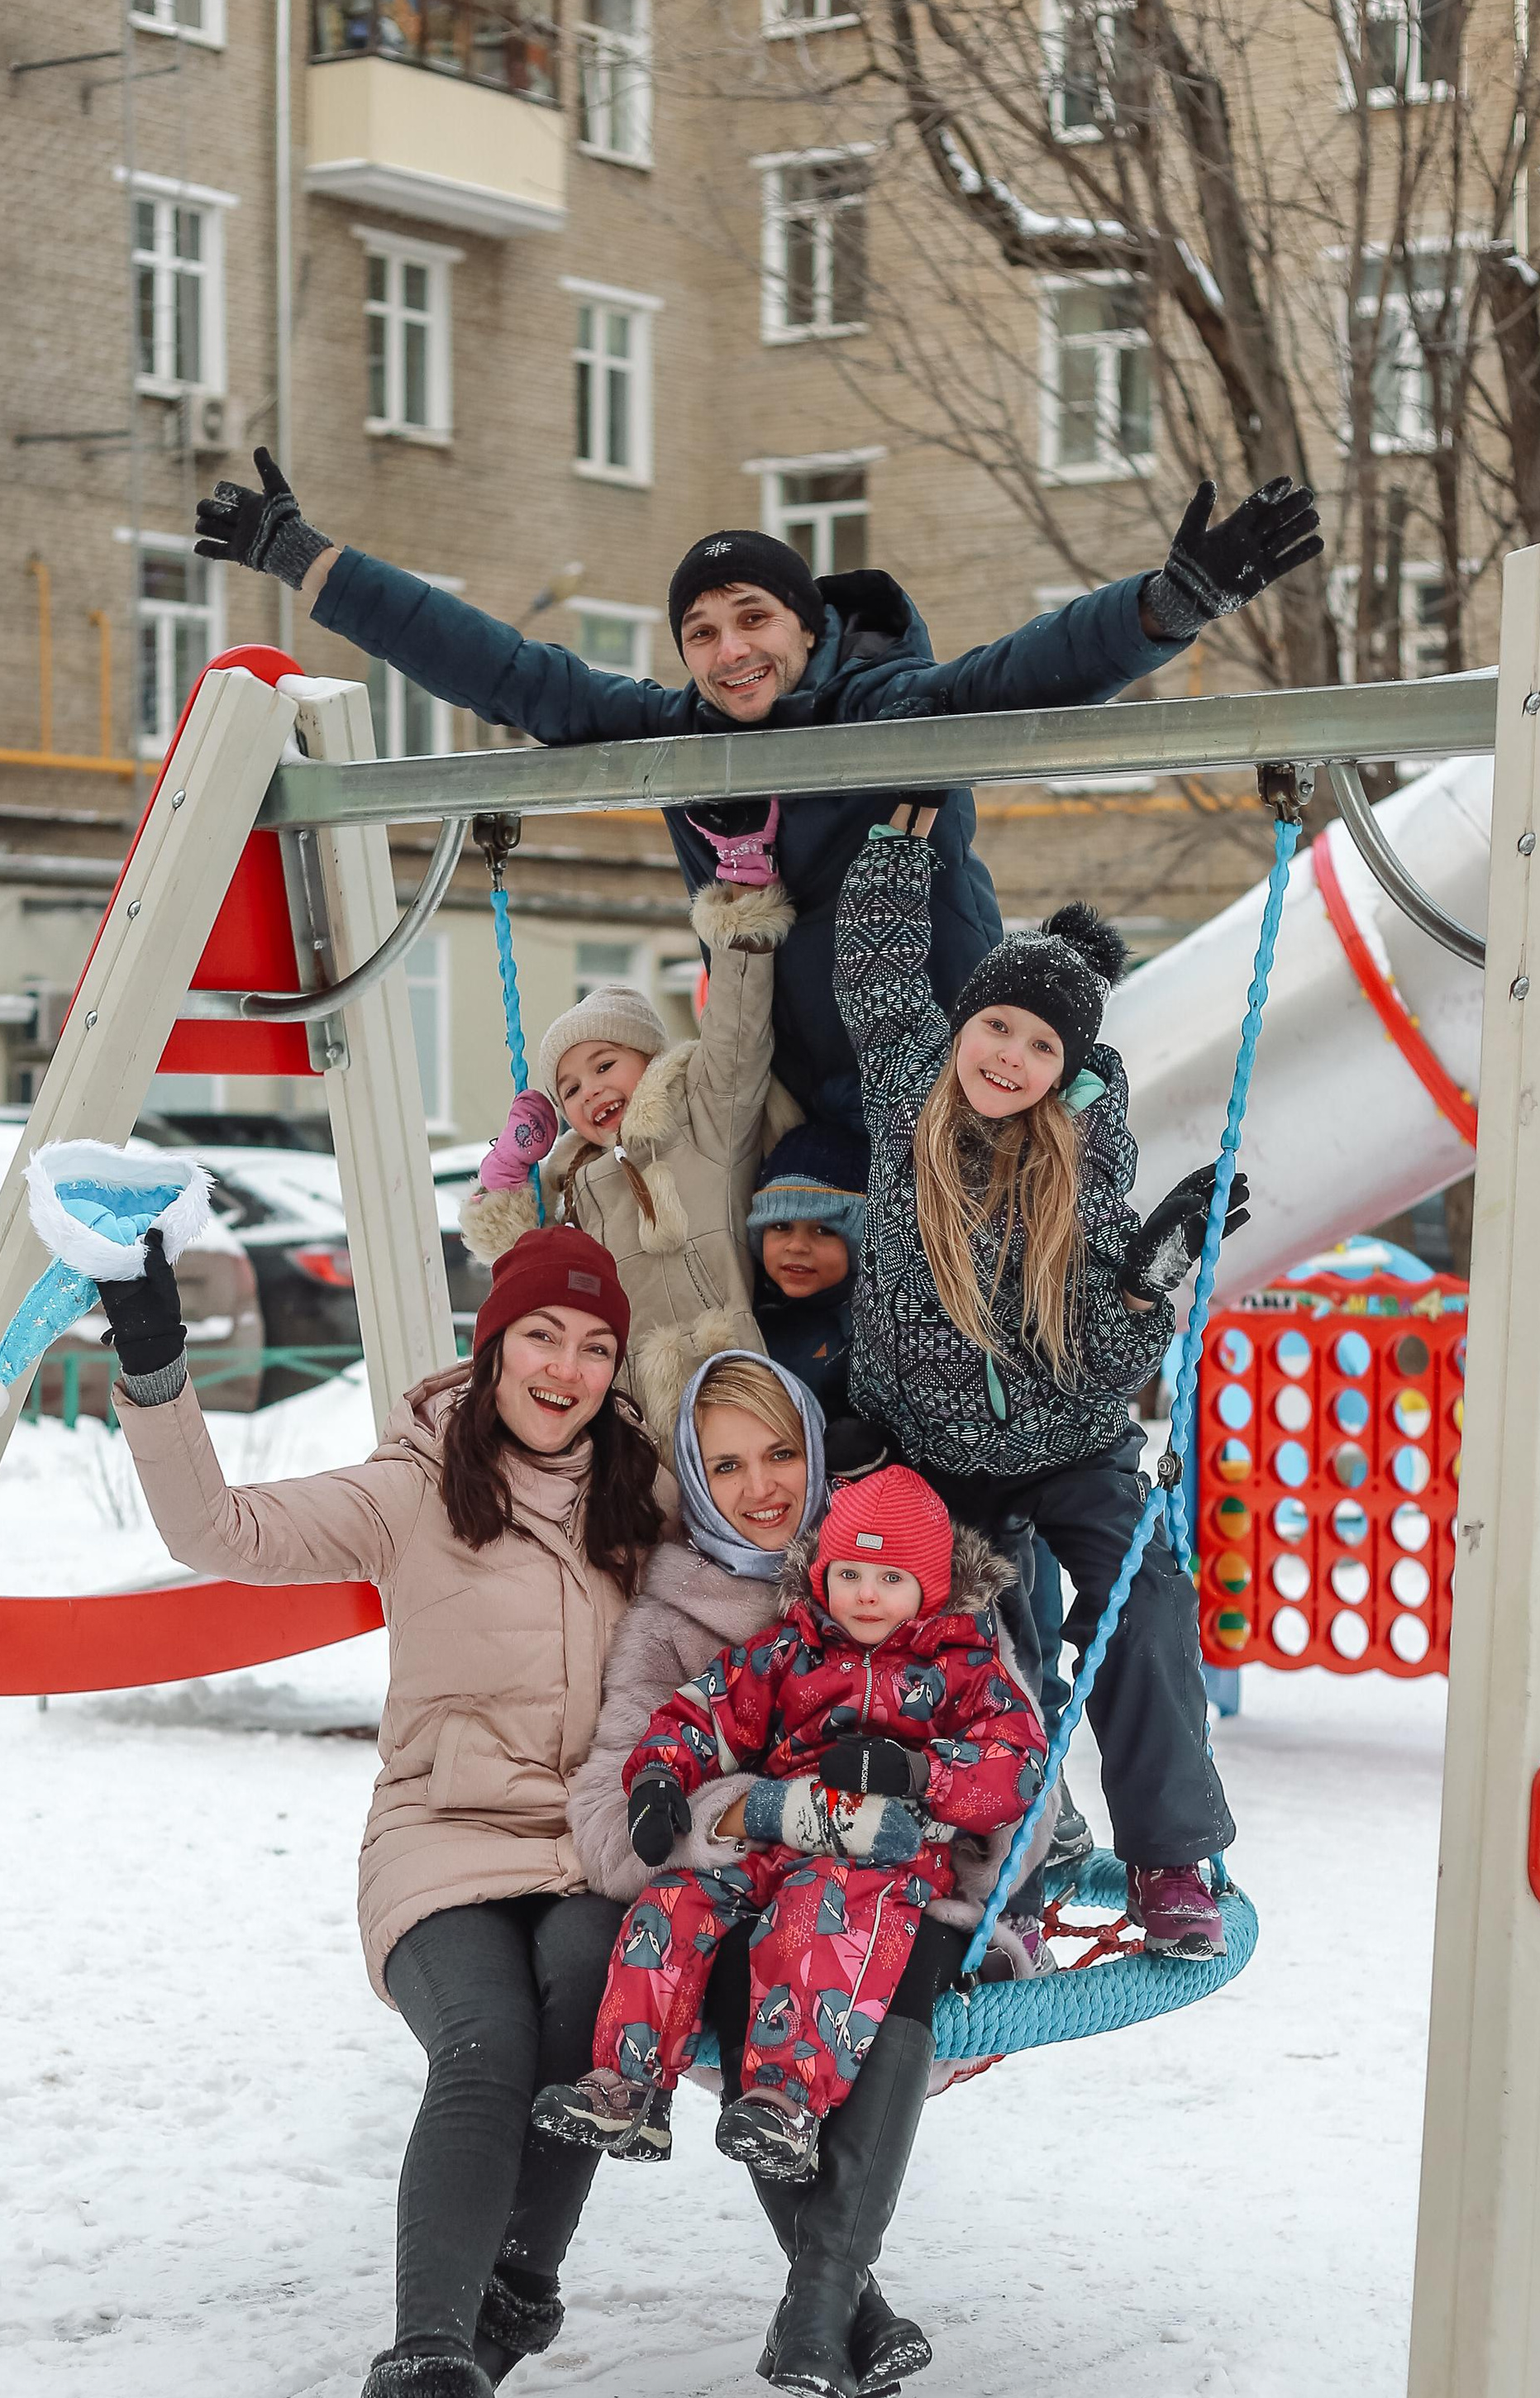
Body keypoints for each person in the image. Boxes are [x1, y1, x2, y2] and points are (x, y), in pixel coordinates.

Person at [192, 456, 1319, 1129]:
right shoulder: (675, 737)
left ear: (807, 627)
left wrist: (1166, 606)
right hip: (785, 1110)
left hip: (941, 1084)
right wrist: (311, 565)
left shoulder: (884, 708)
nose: (730, 651)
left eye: (753, 620)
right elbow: (509, 671)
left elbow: (1023, 673)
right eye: (702, 632)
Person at [93, 1223, 664, 2398]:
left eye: (594, 1347)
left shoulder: (647, 1496)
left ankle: (507, 2296)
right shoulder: (414, 1486)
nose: (567, 1369)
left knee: (593, 1997)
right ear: (493, 1345)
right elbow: (215, 1528)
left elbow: (767, 1577)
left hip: (589, 1844)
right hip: (442, 1837)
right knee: (485, 2048)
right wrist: (155, 1362)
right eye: (541, 1336)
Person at [835, 817, 1254, 1956]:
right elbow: (875, 973)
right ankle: (1015, 1849)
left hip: (1069, 1442)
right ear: (964, 1024)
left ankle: (1170, 1857)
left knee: (1143, 1598)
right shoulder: (906, 1093)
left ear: (1066, 1072)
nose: (1009, 1056)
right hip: (930, 1449)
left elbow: (1099, 1364)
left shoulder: (1086, 1164)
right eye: (997, 1026)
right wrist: (895, 855)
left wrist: (1141, 1292)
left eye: (1040, 1047)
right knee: (982, 1643)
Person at [535, 1463, 1046, 2186]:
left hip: (886, 1857)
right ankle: (629, 2087)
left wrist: (919, 1771)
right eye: (850, 1574)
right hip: (782, 1831)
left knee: (818, 1910)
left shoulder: (965, 1671)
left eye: (891, 1578)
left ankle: (787, 2099)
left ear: (931, 1587)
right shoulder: (789, 1652)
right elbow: (704, 1712)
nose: (866, 1594)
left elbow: (1016, 1767)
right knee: (673, 1901)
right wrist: (657, 1777)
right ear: (822, 1575)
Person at [460, 875, 790, 1451]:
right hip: (633, 1412)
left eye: (605, 1065)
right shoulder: (575, 1188)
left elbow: (738, 1032)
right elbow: (523, 1265)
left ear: (650, 1059)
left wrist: (742, 915)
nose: (589, 1089)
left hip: (733, 1378)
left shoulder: (704, 1122)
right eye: (569, 1089)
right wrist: (508, 1170)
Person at [746, 1121, 869, 1425]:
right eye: (781, 1226)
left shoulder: (867, 1331)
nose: (798, 1246)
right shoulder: (748, 1309)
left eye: (824, 1230)